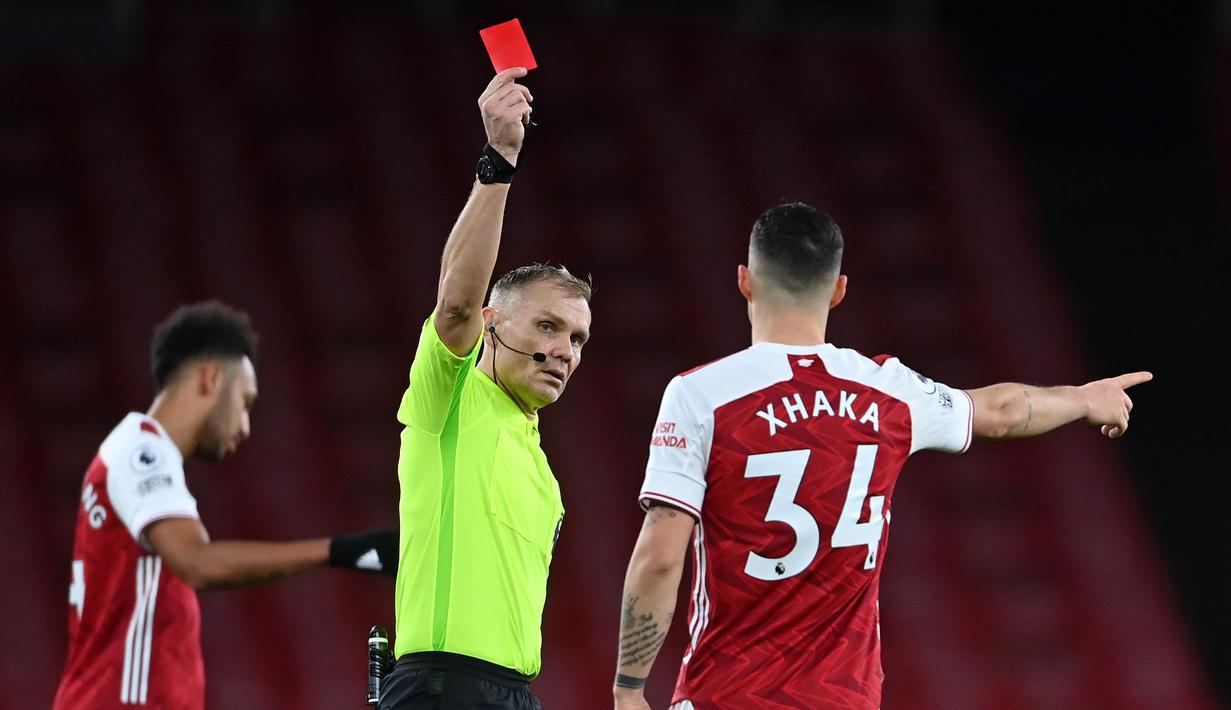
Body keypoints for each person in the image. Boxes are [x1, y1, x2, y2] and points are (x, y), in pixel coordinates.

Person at [610, 203, 1151, 710]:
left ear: (744, 281)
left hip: (727, 695)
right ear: (839, 291)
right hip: (843, 697)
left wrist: (629, 689)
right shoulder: (888, 390)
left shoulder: (702, 394)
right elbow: (1005, 410)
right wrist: (1084, 398)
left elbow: (661, 553)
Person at [52, 301, 398, 710]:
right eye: (245, 402)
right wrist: (341, 551)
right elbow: (198, 562)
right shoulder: (140, 452)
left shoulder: (135, 453)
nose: (245, 426)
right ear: (212, 377)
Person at [378, 67, 592, 710]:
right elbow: (454, 305)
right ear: (493, 325)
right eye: (549, 327)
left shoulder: (542, 467)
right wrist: (498, 161)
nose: (564, 351)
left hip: (513, 694)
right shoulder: (453, 399)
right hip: (443, 689)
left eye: (578, 339)